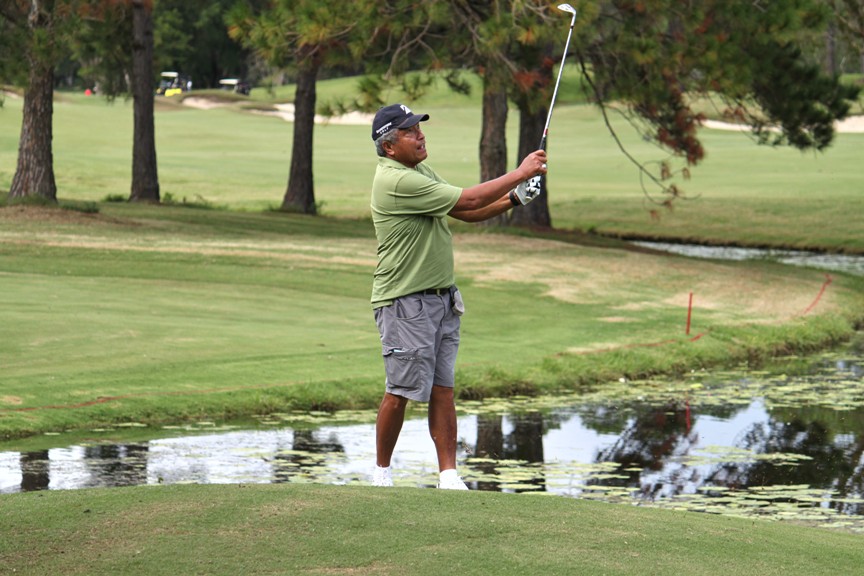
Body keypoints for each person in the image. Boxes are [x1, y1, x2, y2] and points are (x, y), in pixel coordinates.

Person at [369, 103, 547, 489]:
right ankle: (381, 473)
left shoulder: (418, 171)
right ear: (389, 146)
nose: (420, 135)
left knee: (443, 389)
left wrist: (515, 199)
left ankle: (448, 475)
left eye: (418, 128)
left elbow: (464, 212)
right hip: (404, 302)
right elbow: (467, 200)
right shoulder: (395, 180)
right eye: (410, 131)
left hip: (441, 300)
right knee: (399, 391)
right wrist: (520, 172)